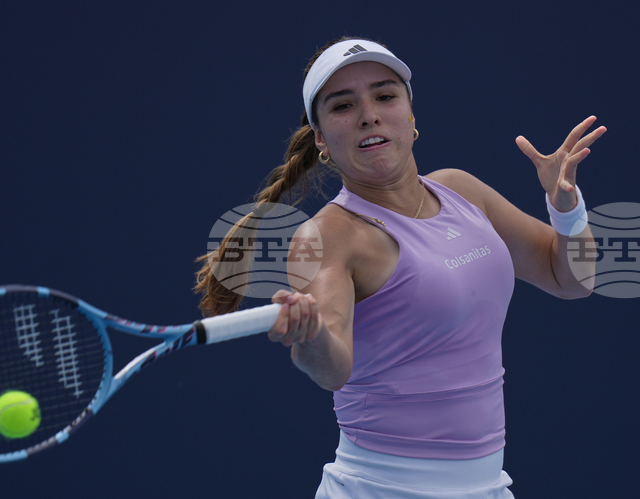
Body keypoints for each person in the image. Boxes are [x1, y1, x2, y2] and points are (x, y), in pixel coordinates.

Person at [196, 36, 605, 498]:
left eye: (385, 96)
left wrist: (568, 211)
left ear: (411, 116)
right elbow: (332, 369)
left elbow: (571, 280)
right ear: (321, 139)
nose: (368, 114)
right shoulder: (327, 236)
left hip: (488, 488)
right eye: (343, 105)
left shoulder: (462, 191)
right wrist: (310, 336)